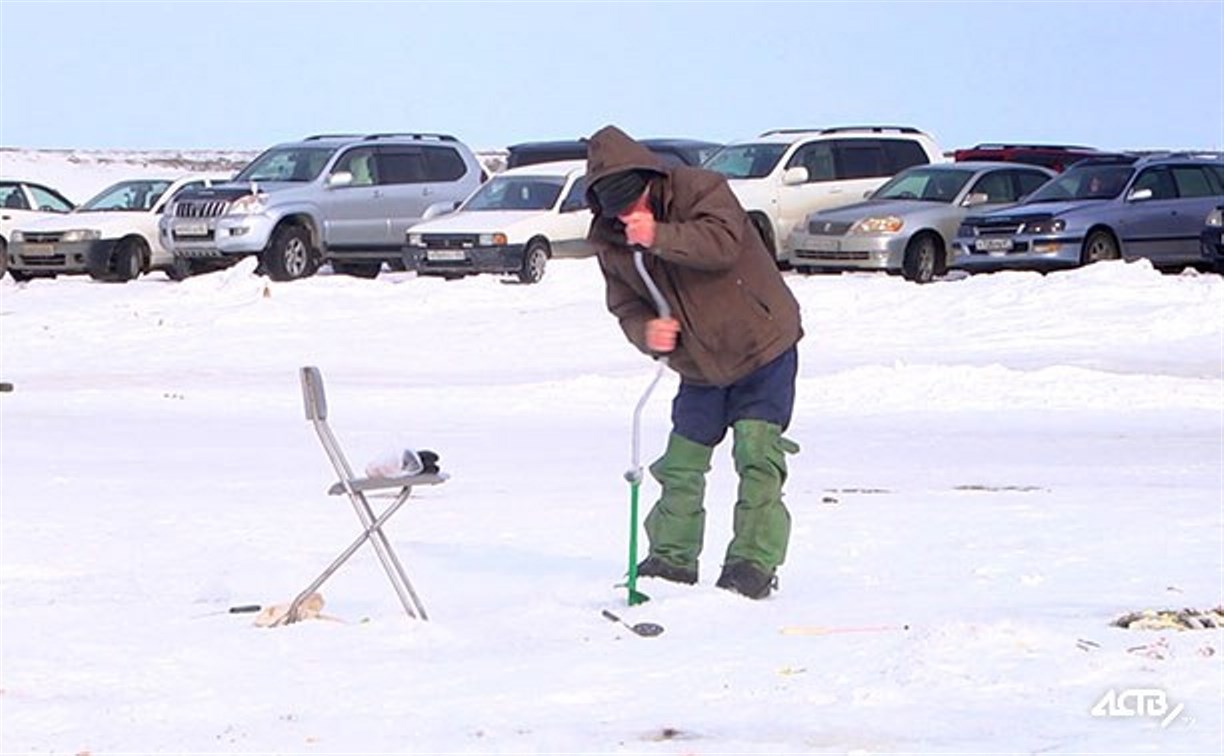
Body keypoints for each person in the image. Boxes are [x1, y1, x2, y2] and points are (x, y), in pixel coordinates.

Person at [584, 125, 803, 600]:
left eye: (635, 201)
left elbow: (722, 243)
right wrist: (647, 331)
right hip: (699, 364)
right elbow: (625, 304)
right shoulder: (610, 239)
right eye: (619, 210)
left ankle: (753, 563)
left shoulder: (700, 188)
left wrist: (659, 234)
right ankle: (671, 557)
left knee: (756, 453)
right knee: (682, 464)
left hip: (760, 344)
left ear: (649, 179)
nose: (630, 215)